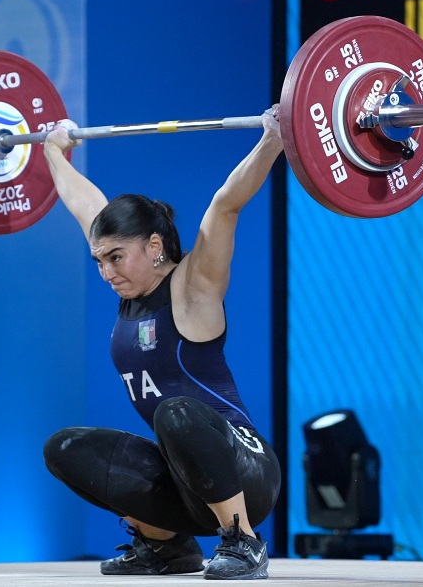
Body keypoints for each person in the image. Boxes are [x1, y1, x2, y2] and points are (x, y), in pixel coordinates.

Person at [40, 107, 284, 580]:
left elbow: (225, 205)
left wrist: (273, 139)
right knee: (64, 447)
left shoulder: (193, 286)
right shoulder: (127, 280)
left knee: (176, 412)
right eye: (99, 260)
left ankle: (244, 542)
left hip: (246, 472)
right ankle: (167, 547)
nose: (107, 272)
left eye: (115, 258)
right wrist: (55, 153)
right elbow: (84, 204)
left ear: (154, 246)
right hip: (185, 482)